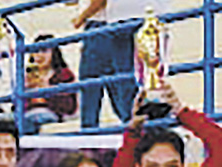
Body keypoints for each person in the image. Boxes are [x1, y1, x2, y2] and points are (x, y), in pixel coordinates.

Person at [71, 0, 167, 129]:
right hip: (108, 23)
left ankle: (130, 127)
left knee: (101, 86)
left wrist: (80, 18)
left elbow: (100, 2)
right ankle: (133, 127)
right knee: (117, 86)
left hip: (103, 24)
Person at [20, 35, 77, 135]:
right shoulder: (29, 75)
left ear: (54, 53)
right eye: (36, 51)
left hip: (52, 113)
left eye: (44, 51)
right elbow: (19, 107)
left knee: (31, 119)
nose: (39, 55)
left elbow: (69, 106)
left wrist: (47, 90)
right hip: (29, 113)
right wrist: (24, 91)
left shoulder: (63, 75)